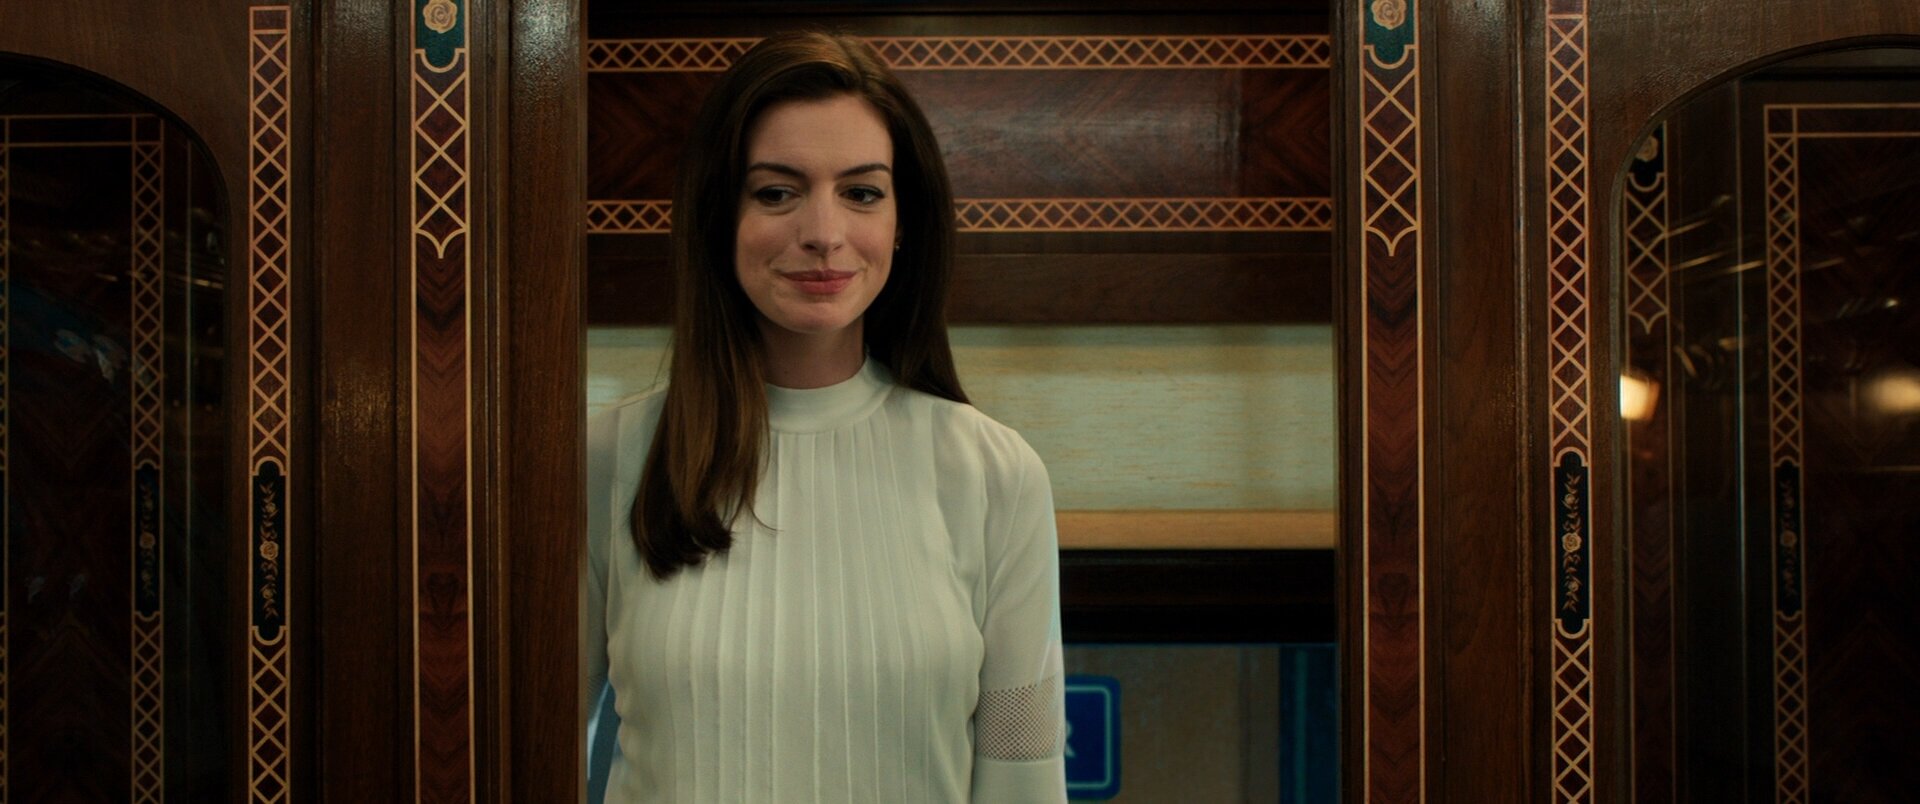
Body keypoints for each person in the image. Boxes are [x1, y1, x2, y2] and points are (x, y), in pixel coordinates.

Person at [582, 32, 1067, 803]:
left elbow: (1024, 778)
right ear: (719, 216)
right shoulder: (611, 457)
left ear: (902, 222)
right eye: (777, 193)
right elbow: (527, 753)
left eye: (862, 193)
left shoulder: (995, 477)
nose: (823, 233)